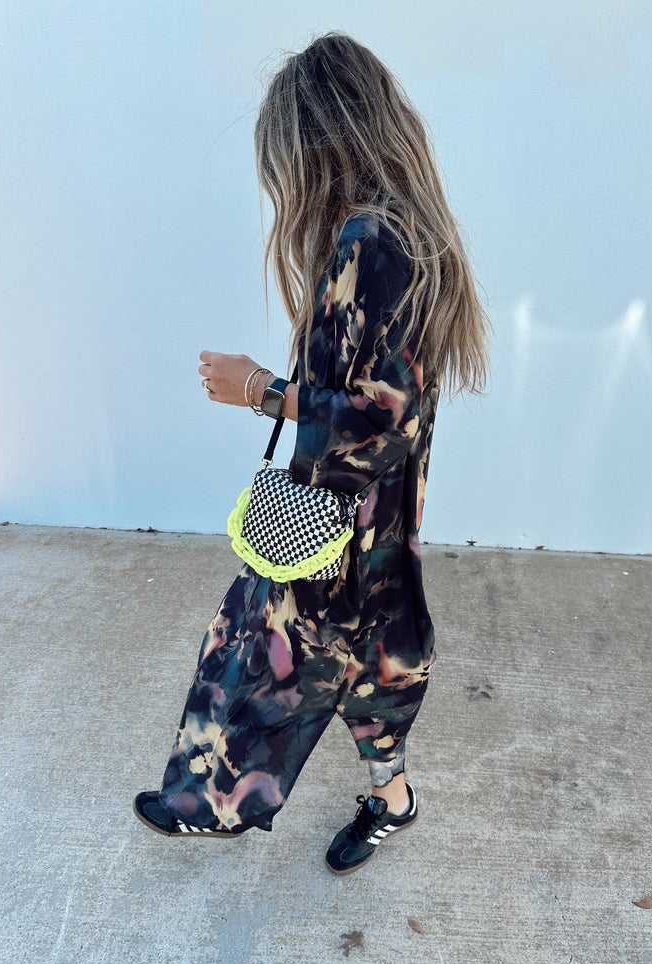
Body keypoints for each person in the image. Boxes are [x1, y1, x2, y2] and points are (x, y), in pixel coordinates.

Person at [134, 30, 492, 874]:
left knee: (262, 644)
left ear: (320, 142)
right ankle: (391, 799)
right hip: (373, 515)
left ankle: (211, 800)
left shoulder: (375, 241)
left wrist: (260, 389)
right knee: (376, 660)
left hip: (346, 511)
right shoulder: (404, 233)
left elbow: (384, 419)